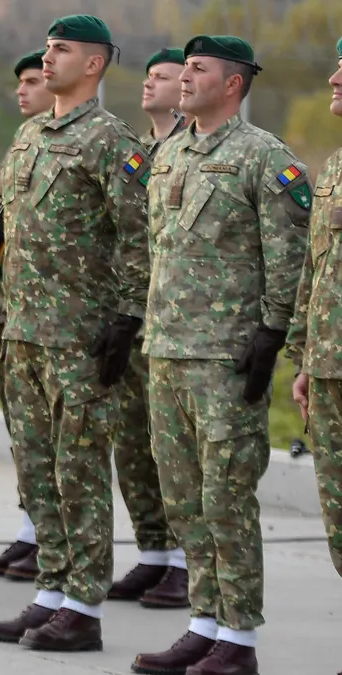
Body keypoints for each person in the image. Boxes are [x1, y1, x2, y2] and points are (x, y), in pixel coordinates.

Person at [132, 35, 310, 675]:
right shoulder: (170, 152)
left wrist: (272, 337)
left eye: (198, 69)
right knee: (183, 500)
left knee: (226, 500)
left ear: (232, 84)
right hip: (167, 351)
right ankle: (203, 623)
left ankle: (238, 638)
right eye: (184, 68)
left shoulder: (264, 157)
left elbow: (290, 258)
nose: (184, 77)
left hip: (225, 359)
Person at [0, 15, 151, 651]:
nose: (47, 59)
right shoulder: (29, 136)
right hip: (23, 330)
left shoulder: (111, 140)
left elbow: (140, 234)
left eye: (62, 50)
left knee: (79, 471)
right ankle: (51, 591)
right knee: (37, 470)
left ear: (95, 64)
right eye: (47, 48)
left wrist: (127, 317)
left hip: (80, 336)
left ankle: (83, 605)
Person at [106, 47, 189, 610]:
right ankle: (154, 552)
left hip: (175, 320)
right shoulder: (137, 151)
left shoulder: (191, 150)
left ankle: (185, 560)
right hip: (131, 318)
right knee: (134, 443)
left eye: (163, 77)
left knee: (175, 451)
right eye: (148, 75)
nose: (149, 83)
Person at [0, 47, 53, 582]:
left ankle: (51, 540)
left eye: (32, 81)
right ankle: (32, 530)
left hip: (58, 318)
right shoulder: (24, 141)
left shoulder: (96, 142)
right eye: (19, 81)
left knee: (53, 439)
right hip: (13, 309)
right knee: (24, 434)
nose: (21, 90)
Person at [289, 34, 342, 589]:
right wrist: (305, 359)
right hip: (328, 370)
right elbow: (314, 269)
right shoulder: (333, 169)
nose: (334, 78)